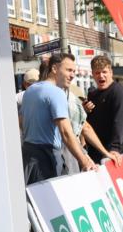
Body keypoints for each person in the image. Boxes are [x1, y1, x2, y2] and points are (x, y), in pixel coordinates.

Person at [21, 52, 97, 183]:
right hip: (46, 158)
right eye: (68, 70)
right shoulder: (56, 93)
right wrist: (85, 162)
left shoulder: (30, 90)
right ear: (54, 69)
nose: (72, 75)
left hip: (28, 155)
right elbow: (66, 133)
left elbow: (21, 122)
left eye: (74, 71)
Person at [84, 54, 123, 164]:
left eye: (104, 72)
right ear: (93, 75)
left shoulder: (119, 92)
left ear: (111, 73)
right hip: (93, 152)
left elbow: (120, 122)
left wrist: (114, 148)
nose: (101, 76)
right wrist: (84, 111)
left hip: (110, 154)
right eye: (97, 72)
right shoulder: (92, 95)